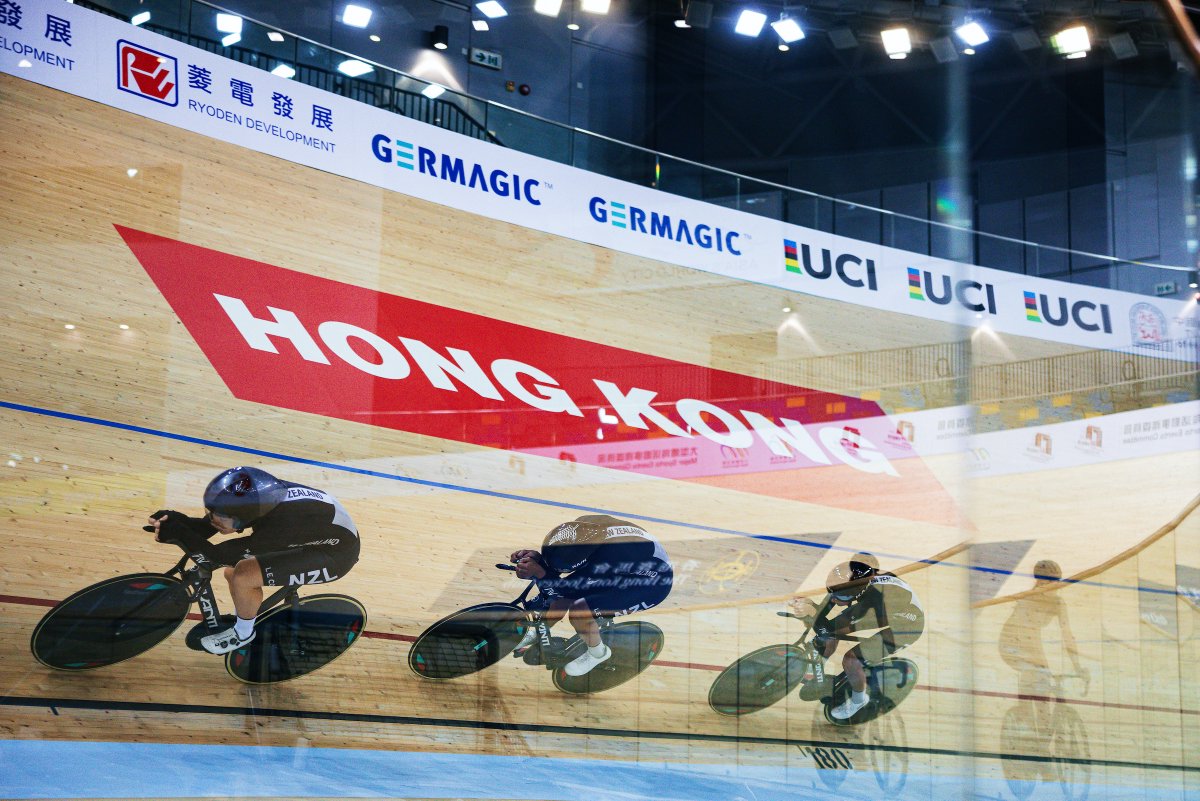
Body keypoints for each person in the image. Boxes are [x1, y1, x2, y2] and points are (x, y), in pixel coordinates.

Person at [146, 466, 360, 655]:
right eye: (211, 512)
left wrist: (182, 533)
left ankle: (242, 634)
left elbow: (218, 555)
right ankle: (248, 613)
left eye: (221, 516)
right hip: (310, 533)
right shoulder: (260, 496)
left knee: (242, 576)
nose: (214, 519)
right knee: (233, 571)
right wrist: (177, 521)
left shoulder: (278, 526)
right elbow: (212, 526)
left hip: (334, 556)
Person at [508, 514, 673, 677]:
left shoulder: (608, 560)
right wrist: (537, 558)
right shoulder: (584, 527)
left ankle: (598, 654)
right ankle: (536, 633)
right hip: (630, 560)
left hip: (651, 585)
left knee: (579, 611)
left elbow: (565, 591)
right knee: (562, 599)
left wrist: (541, 573)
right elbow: (561, 562)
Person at [792, 556, 924, 720]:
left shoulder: (874, 601)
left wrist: (811, 613)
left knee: (851, 659)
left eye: (842, 597)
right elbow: (827, 608)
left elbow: (831, 626)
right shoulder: (852, 581)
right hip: (888, 607)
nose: (834, 599)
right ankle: (819, 672)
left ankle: (859, 700)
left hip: (906, 626)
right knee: (831, 632)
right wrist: (811, 607)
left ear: (858, 592)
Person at [999, 559, 1087, 698]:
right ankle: (1025, 713)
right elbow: (1027, 637)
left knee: (1041, 676)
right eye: (1049, 583)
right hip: (1010, 643)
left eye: (1056, 583)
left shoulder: (1058, 603)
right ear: (1039, 583)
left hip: (1030, 640)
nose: (1055, 588)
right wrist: (1043, 665)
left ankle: (1039, 713)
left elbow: (1067, 635)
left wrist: (1077, 665)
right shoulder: (1028, 600)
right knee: (1036, 674)